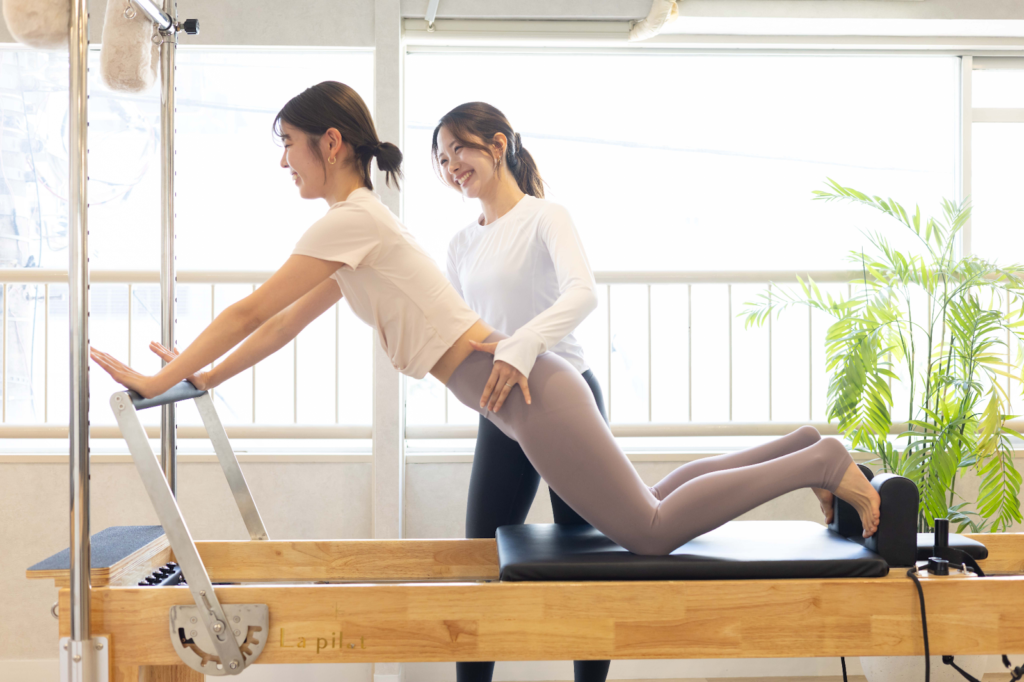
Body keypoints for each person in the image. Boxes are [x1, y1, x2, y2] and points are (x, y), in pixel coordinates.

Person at [91, 80, 881, 571]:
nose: (284, 162)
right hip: (524, 397)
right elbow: (278, 327)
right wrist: (200, 378)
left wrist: (160, 378)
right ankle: (801, 444)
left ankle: (818, 462)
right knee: (650, 503)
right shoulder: (359, 230)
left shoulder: (352, 221)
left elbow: (249, 309)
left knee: (647, 531)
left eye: (289, 146)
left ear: (330, 143)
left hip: (534, 393)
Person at [435, 101, 609, 682]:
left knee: (586, 561)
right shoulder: (461, 244)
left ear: (498, 144)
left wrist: (523, 344)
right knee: (481, 561)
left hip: (567, 399)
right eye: (443, 159)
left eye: (460, 149)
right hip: (502, 409)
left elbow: (582, 294)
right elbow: (459, 329)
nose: (451, 166)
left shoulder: (545, 217)